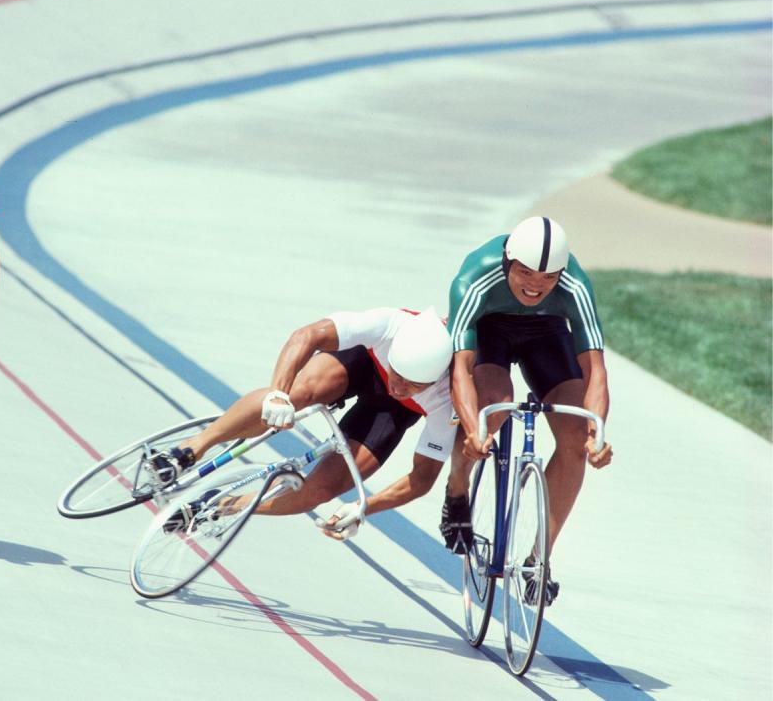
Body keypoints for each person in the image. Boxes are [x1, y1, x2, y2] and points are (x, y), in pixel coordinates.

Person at [154, 306, 455, 539]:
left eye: (415, 384)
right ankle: (191, 448)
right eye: (399, 375)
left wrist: (364, 507)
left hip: (396, 413)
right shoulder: (391, 324)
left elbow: (422, 479)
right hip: (363, 362)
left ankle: (223, 506)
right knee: (297, 394)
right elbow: (306, 336)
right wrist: (277, 395)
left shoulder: (447, 399)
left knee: (320, 492)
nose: (399, 387)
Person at [441, 216, 613, 604]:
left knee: (575, 438)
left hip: (546, 333)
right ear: (507, 262)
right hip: (489, 330)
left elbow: (595, 370)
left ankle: (539, 560)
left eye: (548, 277)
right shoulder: (474, 278)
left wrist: (597, 435)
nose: (535, 285)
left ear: (562, 273)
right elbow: (461, 369)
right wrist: (473, 428)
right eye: (525, 273)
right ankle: (456, 488)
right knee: (493, 407)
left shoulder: (575, 285)